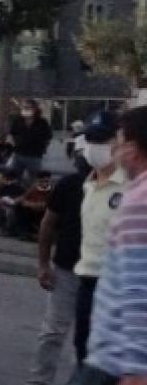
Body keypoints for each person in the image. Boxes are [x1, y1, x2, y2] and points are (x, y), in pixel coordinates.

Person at [49, 106, 147, 385]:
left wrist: (135, 365)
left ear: (137, 148)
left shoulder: (140, 201)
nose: (116, 148)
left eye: (121, 140)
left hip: (118, 369)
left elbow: (141, 287)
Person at [21, 148, 89, 385]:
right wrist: (42, 264)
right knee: (53, 330)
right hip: (67, 268)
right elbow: (48, 224)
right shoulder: (70, 185)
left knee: (89, 335)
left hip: (102, 274)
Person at [71, 111, 125, 369]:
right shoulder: (88, 184)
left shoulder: (132, 186)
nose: (94, 147)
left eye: (102, 140)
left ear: (120, 141)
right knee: (83, 346)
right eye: (91, 139)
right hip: (88, 280)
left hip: (120, 285)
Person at [8, 98, 53, 182]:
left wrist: (43, 149)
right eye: (24, 107)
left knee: (34, 179)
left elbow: (48, 137)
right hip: (19, 154)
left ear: (35, 109)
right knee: (15, 178)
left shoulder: (42, 122)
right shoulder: (18, 120)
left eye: (29, 107)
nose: (26, 109)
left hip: (34, 156)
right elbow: (12, 134)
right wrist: (13, 146)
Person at [0, 169, 27, 236]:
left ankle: (11, 230)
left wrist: (11, 202)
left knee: (10, 212)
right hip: (3, 206)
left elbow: (21, 200)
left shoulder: (20, 188)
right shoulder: (3, 187)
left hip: (14, 208)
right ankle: (5, 228)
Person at [13, 171, 54, 239]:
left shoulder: (52, 191)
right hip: (32, 210)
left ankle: (36, 233)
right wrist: (18, 200)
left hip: (44, 213)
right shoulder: (34, 188)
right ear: (38, 181)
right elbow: (24, 197)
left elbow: (46, 204)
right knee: (19, 207)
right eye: (42, 181)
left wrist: (31, 204)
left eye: (46, 181)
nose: (44, 183)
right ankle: (23, 232)